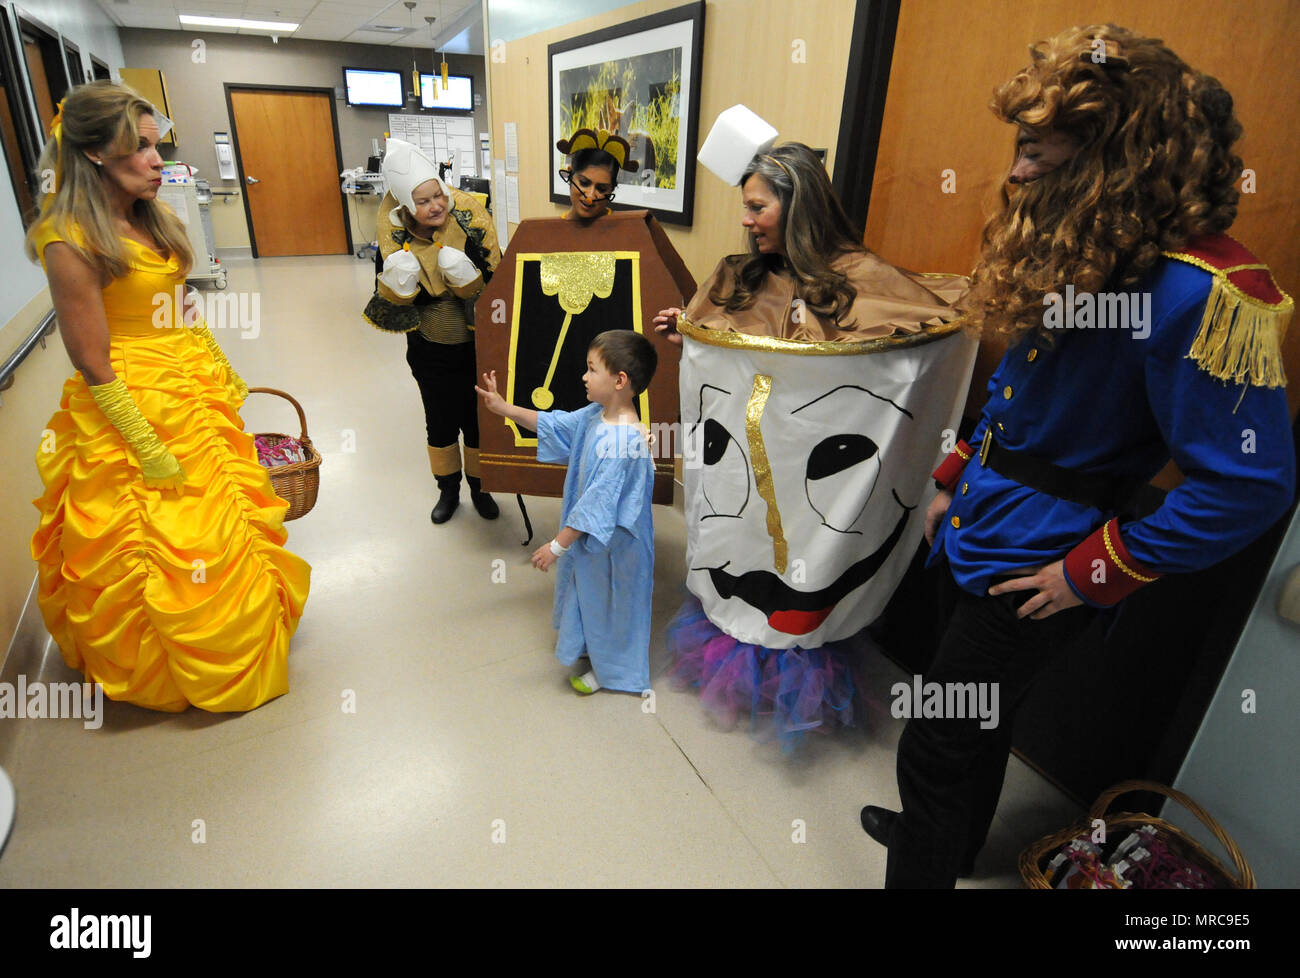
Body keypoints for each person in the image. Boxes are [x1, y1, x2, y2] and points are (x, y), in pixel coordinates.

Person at [859, 24, 1295, 887]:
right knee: (971, 724)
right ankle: (944, 837)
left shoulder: (1202, 291)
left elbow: (1251, 486)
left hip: (1043, 560)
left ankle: (925, 853)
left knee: (939, 731)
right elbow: (1021, 391)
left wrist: (1094, 572)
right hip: (980, 519)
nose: (1016, 172)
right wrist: (951, 480)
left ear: (1115, 157)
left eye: (1034, 152)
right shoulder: (1085, 247)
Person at [655, 136, 970, 748]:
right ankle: (746, 663)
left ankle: (794, 668)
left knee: (805, 567)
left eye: (758, 208)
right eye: (745, 208)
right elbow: (730, 366)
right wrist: (690, 337)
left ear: (800, 206)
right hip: (748, 469)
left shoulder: (862, 282)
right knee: (746, 555)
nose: (746, 222)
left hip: (811, 480)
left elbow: (911, 346)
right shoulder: (738, 275)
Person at [25, 82, 310, 712]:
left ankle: (243, 625)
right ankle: (169, 660)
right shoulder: (68, 239)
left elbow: (179, 309)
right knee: (155, 531)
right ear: (95, 154)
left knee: (224, 515)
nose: (159, 163)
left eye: (158, 148)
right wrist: (147, 446)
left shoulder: (151, 217)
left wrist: (219, 368)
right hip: (130, 401)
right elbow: (93, 363)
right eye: (142, 150)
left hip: (185, 385)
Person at [475, 331, 658, 695]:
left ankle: (616, 673)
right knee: (594, 596)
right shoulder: (596, 416)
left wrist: (556, 546)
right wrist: (505, 408)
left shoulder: (623, 441)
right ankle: (594, 649)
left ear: (620, 380)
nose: (584, 377)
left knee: (617, 604)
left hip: (617, 544)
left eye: (592, 370)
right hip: (592, 541)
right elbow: (556, 425)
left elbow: (597, 503)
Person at [364, 138, 502, 524]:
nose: (434, 206)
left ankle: (482, 487)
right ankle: (449, 489)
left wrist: (469, 280)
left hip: (476, 348)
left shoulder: (470, 225)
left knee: (477, 419)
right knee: (439, 421)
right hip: (430, 350)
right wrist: (402, 286)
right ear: (407, 207)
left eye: (437, 196)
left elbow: (498, 283)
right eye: (422, 202)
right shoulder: (394, 240)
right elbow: (386, 305)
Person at [556, 128, 639, 222]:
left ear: (612, 188)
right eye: (584, 183)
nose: (590, 197)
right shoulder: (550, 231)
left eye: (602, 189)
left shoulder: (626, 228)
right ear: (570, 175)